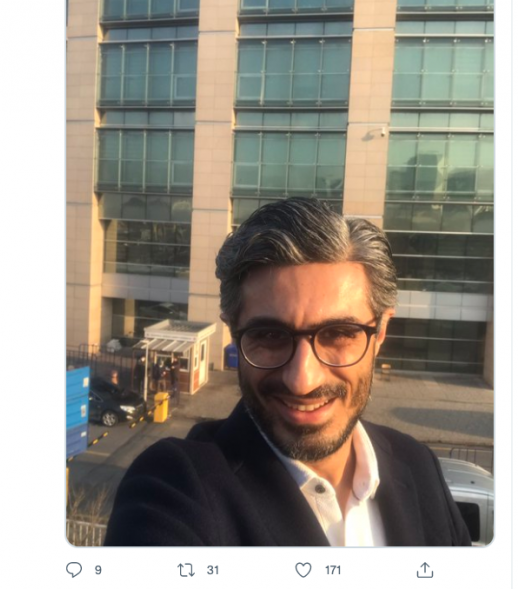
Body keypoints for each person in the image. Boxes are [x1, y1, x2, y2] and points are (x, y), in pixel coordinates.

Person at [105, 198, 471, 546]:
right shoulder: (173, 487)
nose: (302, 380)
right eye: (269, 335)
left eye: (338, 334)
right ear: (234, 332)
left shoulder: (418, 465)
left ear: (381, 332)